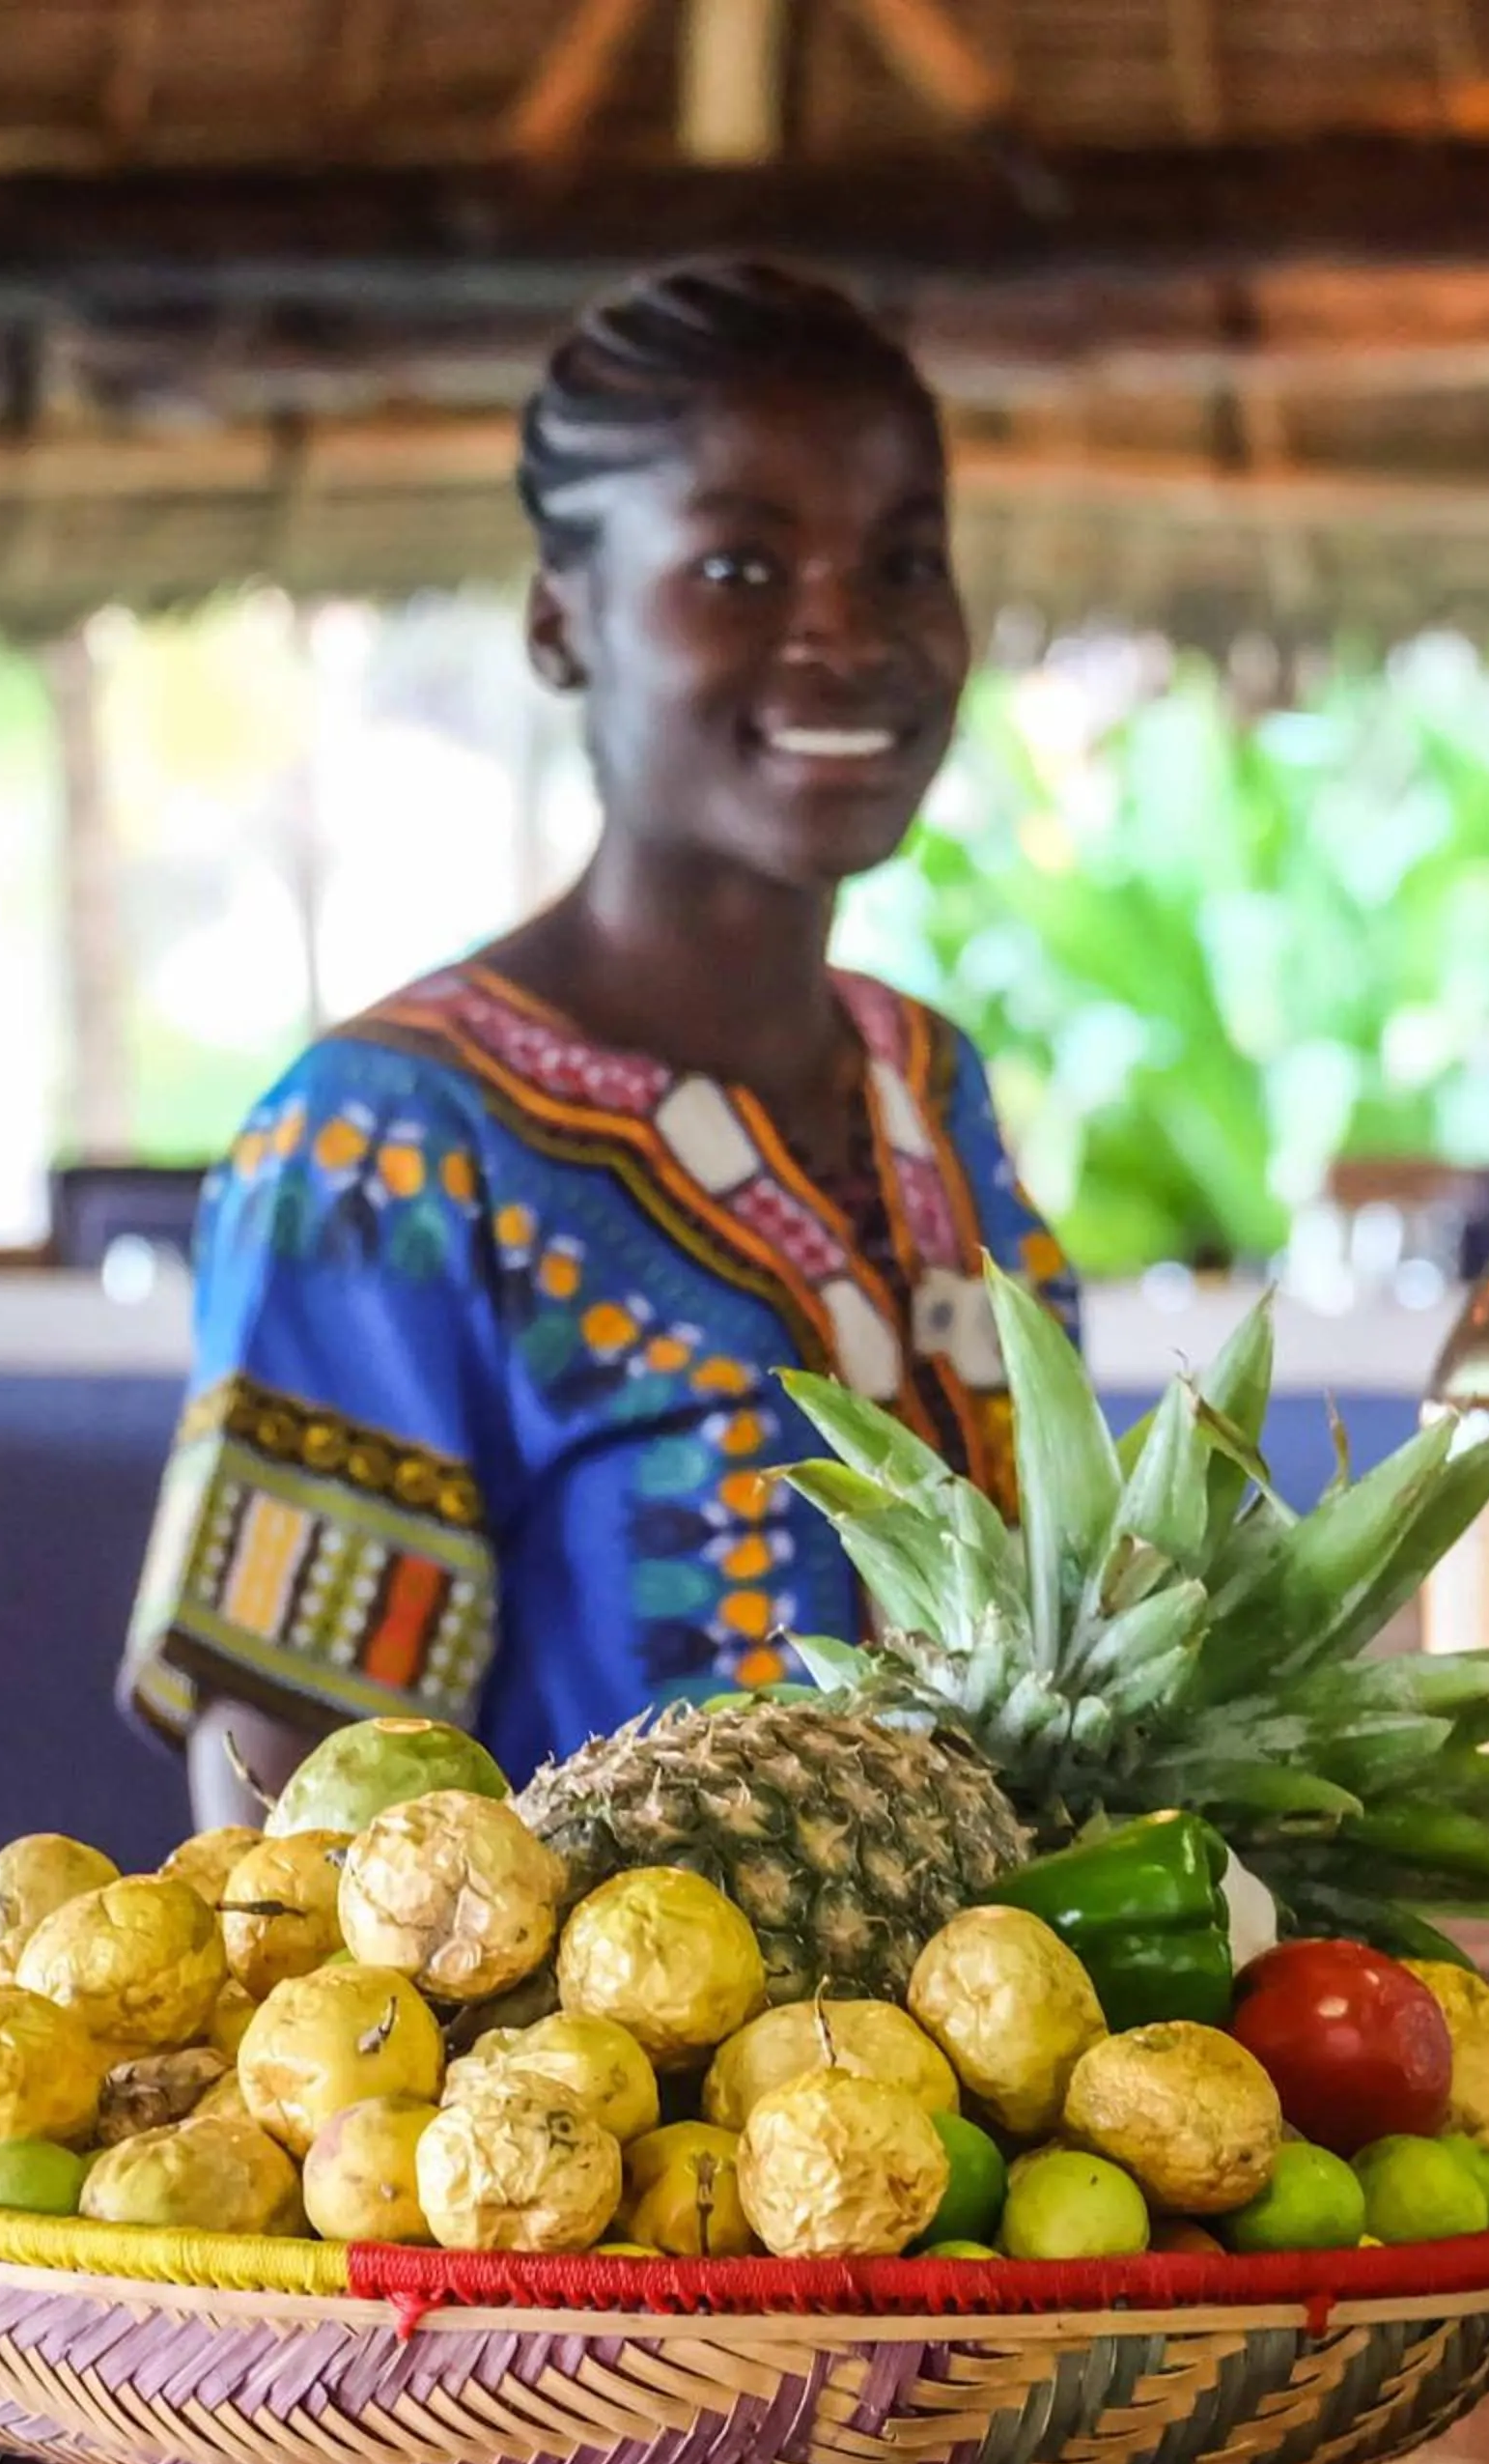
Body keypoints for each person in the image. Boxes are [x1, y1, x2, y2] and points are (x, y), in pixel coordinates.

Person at [120, 262, 1075, 1823]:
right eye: (743, 573)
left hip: (1025, 2044)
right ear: (562, 624)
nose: (848, 635)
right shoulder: (381, 1142)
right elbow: (285, 1822)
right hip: (585, 2070)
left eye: (905, 565)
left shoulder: (932, 1083)